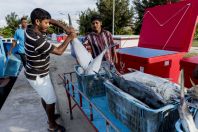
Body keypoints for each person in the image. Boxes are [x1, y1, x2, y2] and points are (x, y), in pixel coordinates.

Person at [25, 8, 76, 132]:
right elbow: (59, 51)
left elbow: (51, 20)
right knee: (51, 99)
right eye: (46, 23)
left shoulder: (31, 27)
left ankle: (51, 116)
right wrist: (70, 37)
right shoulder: (36, 39)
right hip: (37, 76)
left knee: (46, 96)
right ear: (37, 21)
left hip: (39, 71)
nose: (48, 25)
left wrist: (65, 28)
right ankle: (52, 125)